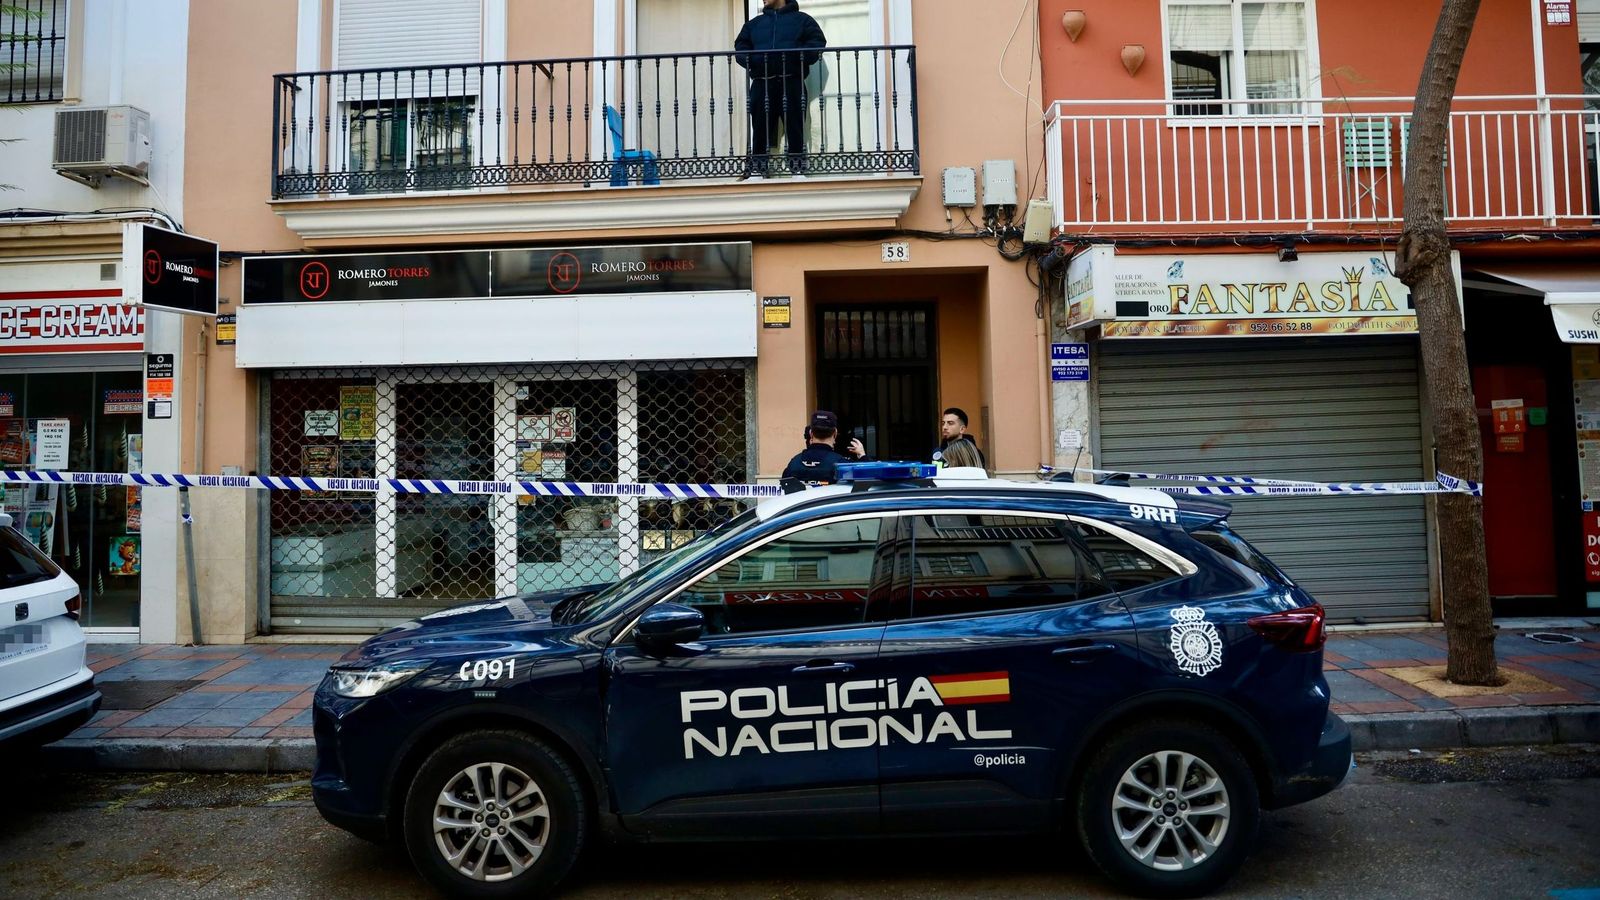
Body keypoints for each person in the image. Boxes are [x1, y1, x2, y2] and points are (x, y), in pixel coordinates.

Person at [734, 0, 826, 179]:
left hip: (791, 81)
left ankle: (797, 169)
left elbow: (817, 42)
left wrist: (794, 56)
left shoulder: (802, 20)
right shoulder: (754, 24)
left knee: (795, 125)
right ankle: (757, 170)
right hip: (762, 82)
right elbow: (741, 48)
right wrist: (756, 61)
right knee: (759, 127)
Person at [781, 410, 867, 491]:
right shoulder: (841, 465)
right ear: (835, 433)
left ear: (811, 433)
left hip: (801, 507)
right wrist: (862, 456)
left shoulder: (793, 463)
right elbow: (865, 480)